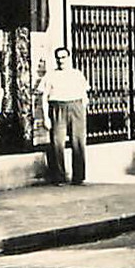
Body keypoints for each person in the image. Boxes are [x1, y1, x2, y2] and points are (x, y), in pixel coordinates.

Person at [40, 47, 91, 185]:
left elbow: (84, 93)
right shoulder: (50, 75)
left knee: (78, 142)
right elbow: (44, 97)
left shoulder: (77, 74)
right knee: (58, 142)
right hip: (57, 107)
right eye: (59, 58)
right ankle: (59, 176)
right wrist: (46, 117)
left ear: (69, 58)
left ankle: (78, 177)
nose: (61, 60)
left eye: (64, 57)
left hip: (76, 106)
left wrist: (83, 108)